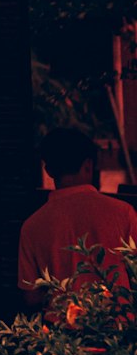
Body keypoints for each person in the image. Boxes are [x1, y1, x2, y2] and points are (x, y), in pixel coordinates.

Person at [18, 127, 137, 309]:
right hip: (116, 329)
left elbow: (31, 297)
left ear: (48, 170)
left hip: (62, 334)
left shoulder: (32, 226)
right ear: (88, 165)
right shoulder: (123, 213)